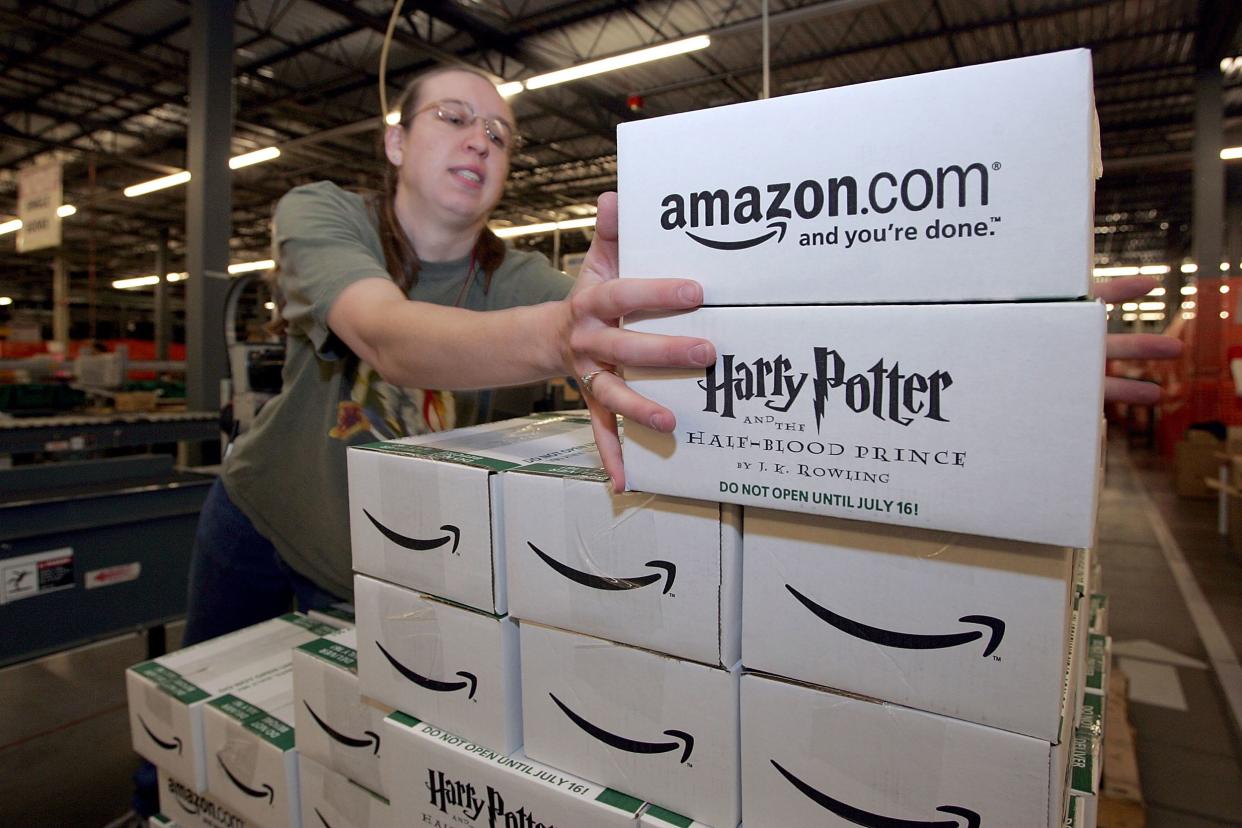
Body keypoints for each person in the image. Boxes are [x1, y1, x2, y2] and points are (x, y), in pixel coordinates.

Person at [184, 64, 1181, 646]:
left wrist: (995, 344)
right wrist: (562, 339)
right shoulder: (324, 213)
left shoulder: (521, 279)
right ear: (397, 145)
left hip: (385, 572)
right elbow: (382, 334)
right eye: (453, 118)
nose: (482, 141)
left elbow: (708, 323)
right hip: (260, 531)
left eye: (501, 131)